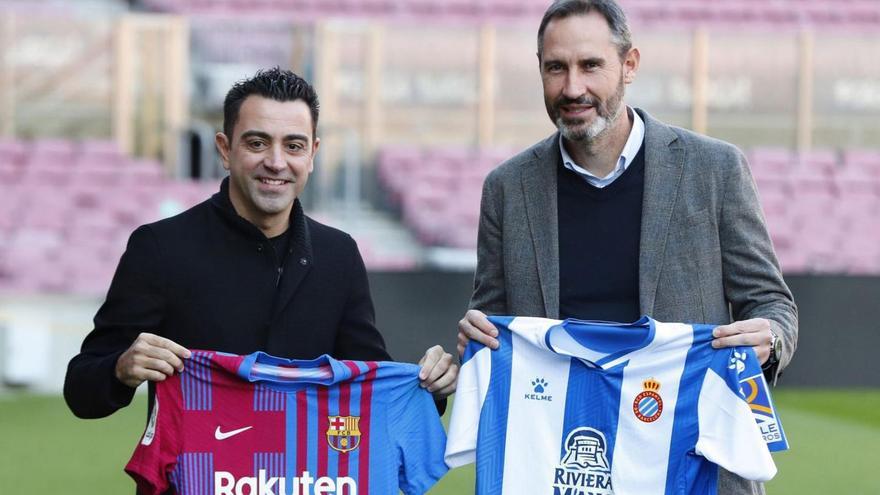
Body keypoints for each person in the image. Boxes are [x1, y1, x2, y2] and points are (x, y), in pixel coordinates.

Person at [456, 1, 797, 494]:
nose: (572, 88)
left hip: (689, 465)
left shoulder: (715, 170)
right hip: (561, 468)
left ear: (629, 64)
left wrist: (772, 339)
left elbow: (773, 304)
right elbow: (490, 319)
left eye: (590, 65)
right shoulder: (508, 189)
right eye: (556, 68)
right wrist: (474, 336)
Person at [64, 68, 457, 423]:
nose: (276, 161)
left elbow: (371, 388)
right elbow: (82, 392)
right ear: (224, 149)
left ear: (313, 154)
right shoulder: (160, 247)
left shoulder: (338, 254)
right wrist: (120, 368)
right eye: (257, 143)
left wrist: (428, 387)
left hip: (305, 479)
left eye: (294, 146)